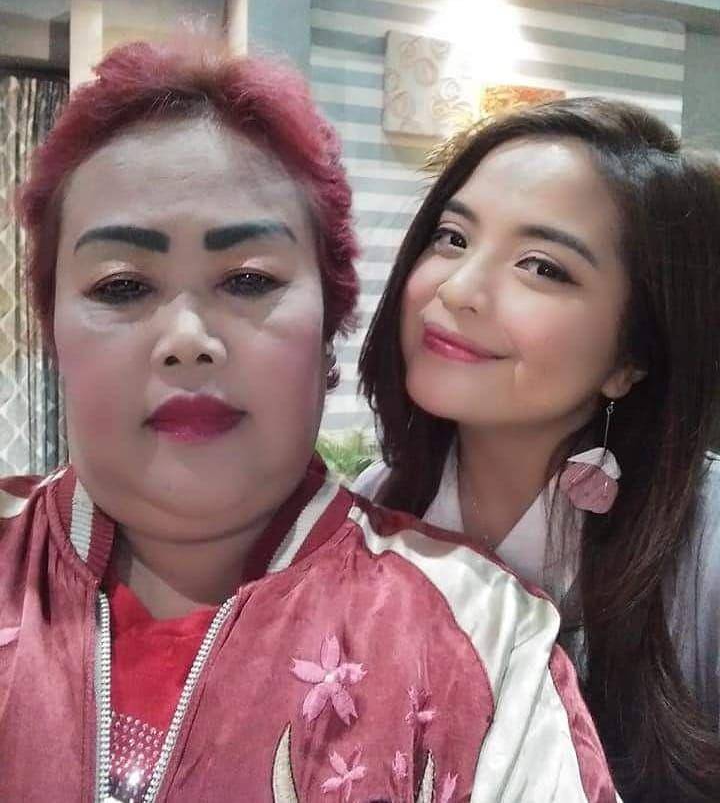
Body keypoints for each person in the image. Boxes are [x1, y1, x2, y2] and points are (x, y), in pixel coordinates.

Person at [0, 41, 617, 802]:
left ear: (329, 326)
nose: (188, 339)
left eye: (248, 279)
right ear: (52, 331)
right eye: (123, 285)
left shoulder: (487, 636)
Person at [355, 97, 720, 802]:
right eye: (452, 237)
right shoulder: (373, 506)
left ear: (632, 357)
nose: (458, 288)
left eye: (543, 267)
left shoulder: (705, 554)